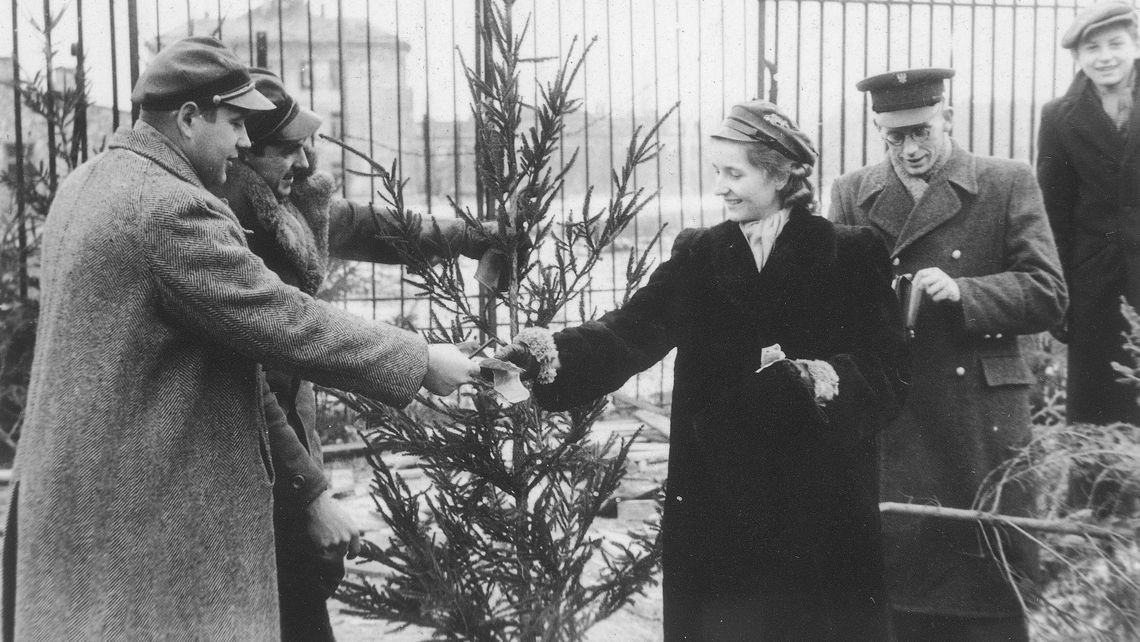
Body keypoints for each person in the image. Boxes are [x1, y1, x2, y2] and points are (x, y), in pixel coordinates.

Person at [0, 37, 480, 641]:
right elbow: (281, 320)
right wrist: (419, 359)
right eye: (234, 123)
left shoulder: (90, 182)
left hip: (75, 502)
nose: (246, 142)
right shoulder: (171, 210)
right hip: (139, 516)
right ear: (190, 117)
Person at [499, 100, 907, 641]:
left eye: (734, 173)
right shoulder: (701, 254)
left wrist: (818, 381)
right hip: (718, 504)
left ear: (782, 173)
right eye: (718, 171)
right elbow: (631, 330)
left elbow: (889, 369)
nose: (721, 187)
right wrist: (549, 356)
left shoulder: (850, 254)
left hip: (819, 504)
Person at [220, 68, 500, 642]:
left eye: (308, 147)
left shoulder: (290, 202)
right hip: (246, 444)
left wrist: (474, 236)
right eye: (287, 151)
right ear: (246, 152)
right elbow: (248, 385)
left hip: (285, 436)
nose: (304, 165)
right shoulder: (228, 230)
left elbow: (380, 227)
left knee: (299, 583)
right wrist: (309, 492)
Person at [829, 68, 1067, 641]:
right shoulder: (852, 193)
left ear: (949, 120)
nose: (909, 150)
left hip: (978, 417)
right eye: (894, 138)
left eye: (922, 133)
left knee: (986, 581)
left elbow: (1050, 294)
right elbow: (827, 303)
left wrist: (966, 291)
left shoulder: (1006, 181)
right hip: (895, 409)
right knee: (900, 582)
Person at [1038, 1, 1140, 431]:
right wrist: (1060, 296)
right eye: (1092, 48)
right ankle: (1097, 499)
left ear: (1134, 44)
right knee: (1096, 415)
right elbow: (1053, 213)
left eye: (1116, 44)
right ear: (1078, 57)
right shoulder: (1059, 118)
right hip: (1094, 286)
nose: (1105, 57)